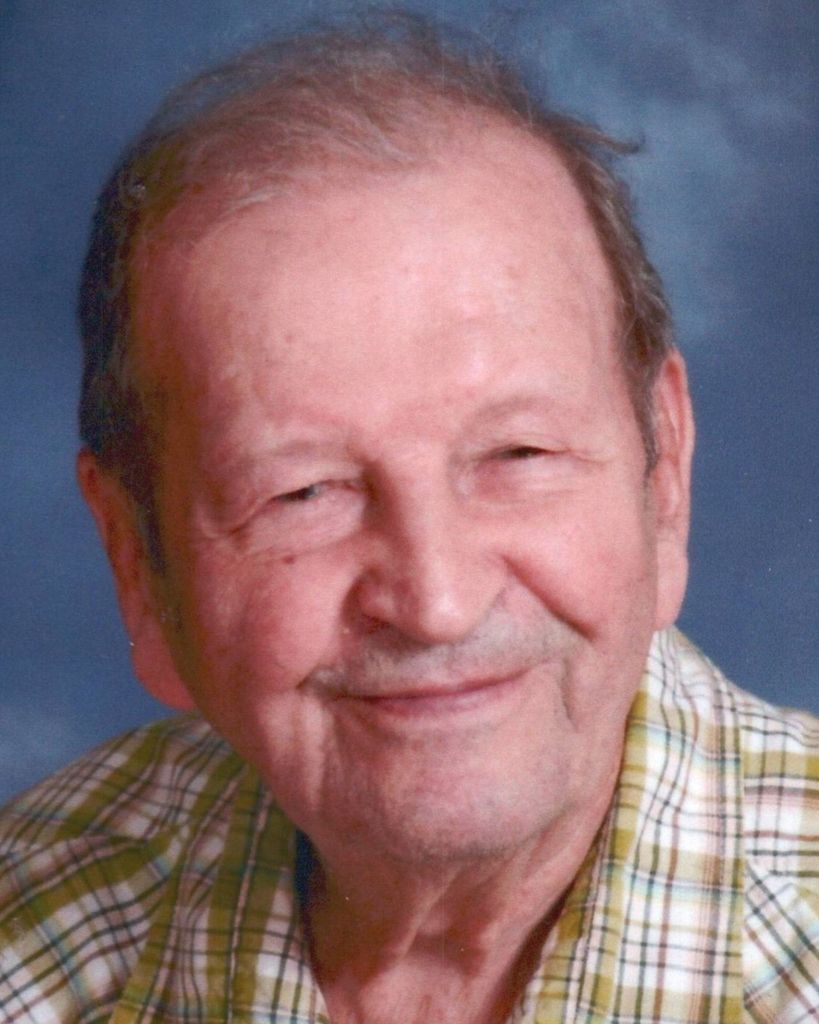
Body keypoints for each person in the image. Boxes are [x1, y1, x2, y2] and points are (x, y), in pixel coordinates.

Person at [1, 15, 817, 1024]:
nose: (437, 602)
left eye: (518, 455)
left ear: (666, 476)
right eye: (304, 493)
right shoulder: (34, 915)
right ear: (138, 563)